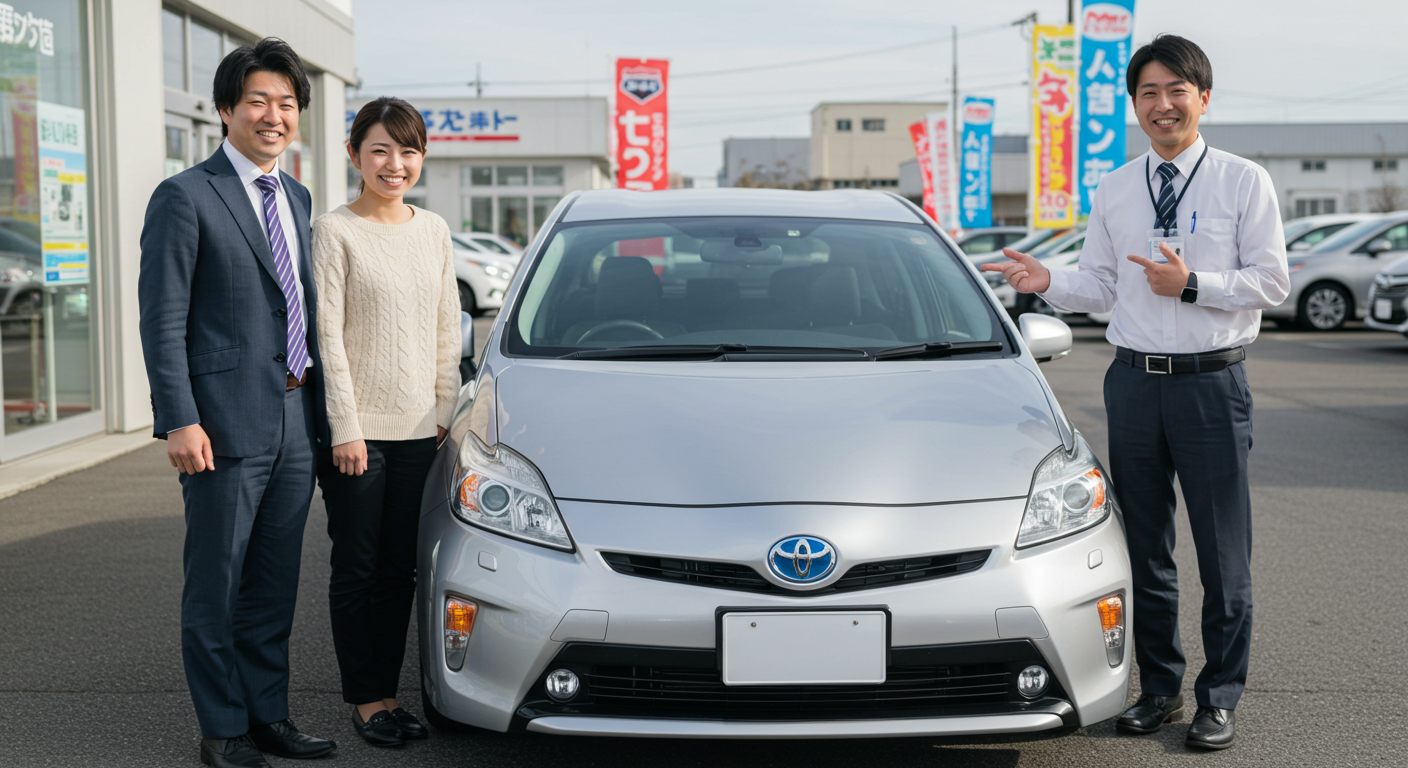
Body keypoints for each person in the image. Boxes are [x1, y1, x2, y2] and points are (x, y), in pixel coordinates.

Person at [983, 34, 1288, 751]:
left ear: (1203, 98)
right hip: (1133, 383)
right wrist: (1047, 282)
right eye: (1148, 93)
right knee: (1144, 549)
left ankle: (1219, 695)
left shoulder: (1244, 181)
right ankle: (1160, 690)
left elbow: (1274, 282)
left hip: (1212, 383)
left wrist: (1191, 284)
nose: (1162, 105)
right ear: (1135, 105)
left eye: (1176, 90)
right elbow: (1101, 284)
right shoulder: (1117, 186)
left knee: (1223, 554)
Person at [138, 39, 336, 768]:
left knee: (275, 583)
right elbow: (161, 320)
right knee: (216, 584)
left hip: (292, 415)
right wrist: (179, 417)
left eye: (286, 103)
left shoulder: (296, 195)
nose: (273, 115)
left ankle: (267, 715)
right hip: (218, 423)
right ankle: (221, 728)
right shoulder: (185, 195)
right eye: (258, 100)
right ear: (226, 109)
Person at [312, 96, 459, 747]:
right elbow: (327, 337)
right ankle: (367, 700)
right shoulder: (334, 230)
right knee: (360, 567)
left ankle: (390, 695)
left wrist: (443, 410)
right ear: (355, 155)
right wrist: (345, 425)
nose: (394, 163)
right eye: (380, 149)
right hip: (360, 434)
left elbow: (446, 327)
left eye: (407, 150)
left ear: (420, 157)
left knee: (402, 570)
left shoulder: (434, 230)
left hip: (419, 431)